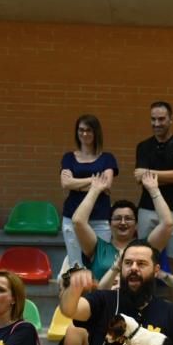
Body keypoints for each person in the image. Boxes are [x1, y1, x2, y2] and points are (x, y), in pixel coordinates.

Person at [73, 170, 173, 288]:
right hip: (104, 303)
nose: (123, 222)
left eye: (128, 218)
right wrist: (94, 190)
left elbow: (167, 223)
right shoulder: (98, 248)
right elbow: (78, 221)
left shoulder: (146, 247)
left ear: (136, 224)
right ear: (109, 224)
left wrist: (154, 190)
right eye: (117, 218)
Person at [135, 101, 173, 275]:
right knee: (145, 258)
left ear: (170, 119)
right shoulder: (143, 146)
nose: (156, 124)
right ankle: (145, 301)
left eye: (161, 119)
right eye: (153, 119)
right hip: (148, 209)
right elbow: (140, 177)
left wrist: (151, 176)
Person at [60, 114, 118, 267]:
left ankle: (96, 292)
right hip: (71, 216)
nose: (84, 134)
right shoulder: (69, 157)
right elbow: (65, 183)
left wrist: (76, 183)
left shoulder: (107, 158)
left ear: (96, 132)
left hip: (99, 217)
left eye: (89, 130)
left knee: (100, 264)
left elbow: (106, 184)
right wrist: (94, 182)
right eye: (81, 130)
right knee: (76, 265)